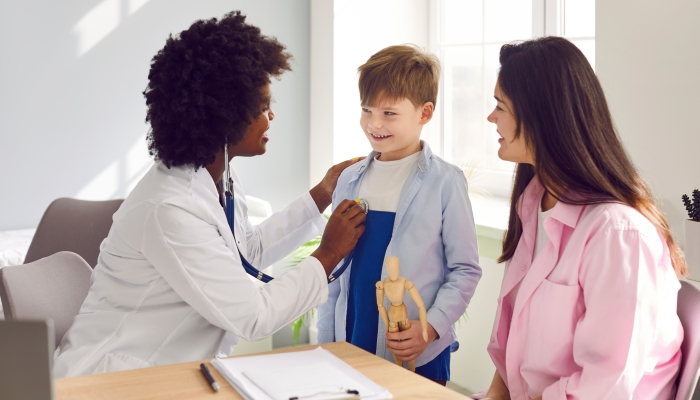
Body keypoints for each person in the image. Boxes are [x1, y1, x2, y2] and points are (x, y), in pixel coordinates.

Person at [53, 11, 366, 378]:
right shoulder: (169, 207)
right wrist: (328, 253)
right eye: (263, 107)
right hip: (110, 380)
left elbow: (246, 253)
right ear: (225, 116)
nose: (272, 116)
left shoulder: (216, 177)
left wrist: (322, 194)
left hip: (169, 373)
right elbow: (255, 315)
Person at [479, 36, 686, 400]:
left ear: (542, 116)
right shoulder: (534, 203)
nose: (491, 117)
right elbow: (510, 365)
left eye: (501, 106)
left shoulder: (620, 235)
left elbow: (605, 386)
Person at [317, 45, 482, 385]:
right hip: (349, 340)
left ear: (425, 113)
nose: (374, 123)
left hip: (414, 350)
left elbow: (465, 270)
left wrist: (430, 326)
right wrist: (325, 340)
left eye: (389, 113)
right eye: (367, 110)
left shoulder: (445, 182)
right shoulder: (349, 179)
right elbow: (333, 270)